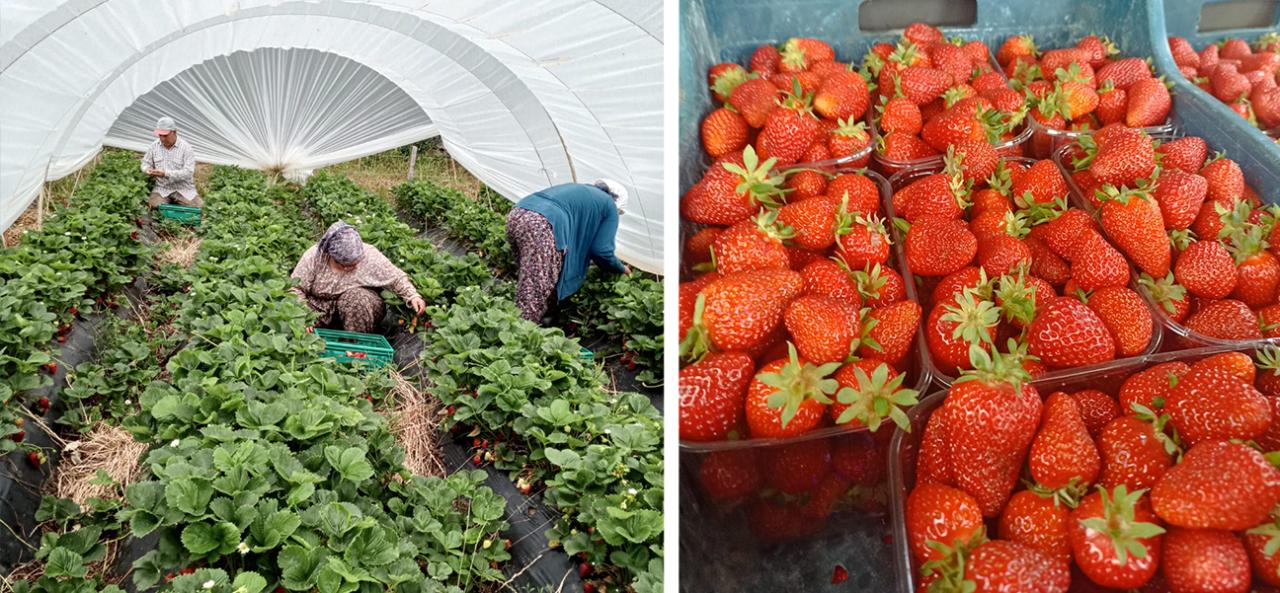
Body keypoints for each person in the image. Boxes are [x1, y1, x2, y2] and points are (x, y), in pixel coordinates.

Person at [505, 179, 631, 323]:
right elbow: (601, 251)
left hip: (517, 214)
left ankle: (521, 324)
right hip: (541, 224)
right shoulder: (609, 206)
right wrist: (620, 268)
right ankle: (517, 335)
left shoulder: (581, 190)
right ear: (617, 203)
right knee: (534, 290)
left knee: (531, 279)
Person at [290, 221, 427, 333]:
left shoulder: (370, 256)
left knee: (355, 299)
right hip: (320, 307)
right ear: (331, 256)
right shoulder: (314, 257)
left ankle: (355, 347)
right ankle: (313, 346)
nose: (350, 268)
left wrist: (412, 296)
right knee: (292, 322)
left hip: (358, 309)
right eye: (344, 264)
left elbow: (396, 278)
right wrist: (304, 316)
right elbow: (295, 288)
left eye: (354, 263)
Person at [141, 116, 202, 208]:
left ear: (174, 132)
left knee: (198, 206)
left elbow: (188, 172)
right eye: (160, 135)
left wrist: (166, 173)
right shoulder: (154, 146)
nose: (162, 139)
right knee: (154, 206)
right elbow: (145, 163)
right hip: (162, 189)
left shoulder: (186, 148)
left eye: (165, 135)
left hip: (184, 189)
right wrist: (148, 170)